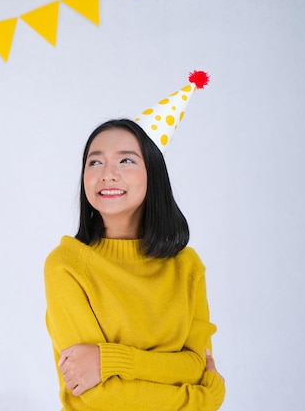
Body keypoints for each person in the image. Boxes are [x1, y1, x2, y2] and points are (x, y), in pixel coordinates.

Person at [44, 119, 225, 411]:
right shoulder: (66, 266)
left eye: (126, 160)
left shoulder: (187, 266)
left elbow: (195, 366)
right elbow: (102, 396)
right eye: (95, 162)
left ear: (152, 174)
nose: (107, 174)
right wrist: (205, 400)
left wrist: (109, 360)